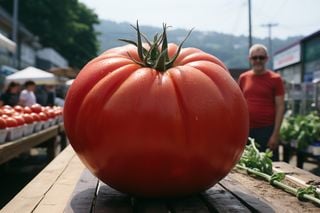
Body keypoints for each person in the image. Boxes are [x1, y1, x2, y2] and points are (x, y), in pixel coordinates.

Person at [238, 44, 285, 161]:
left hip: (267, 130)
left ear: (267, 59)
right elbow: (238, 104)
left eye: (261, 57)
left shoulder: (275, 79)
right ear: (250, 60)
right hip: (247, 130)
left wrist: (275, 134)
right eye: (254, 58)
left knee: (269, 165)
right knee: (248, 166)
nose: (258, 60)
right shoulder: (243, 78)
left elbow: (280, 106)